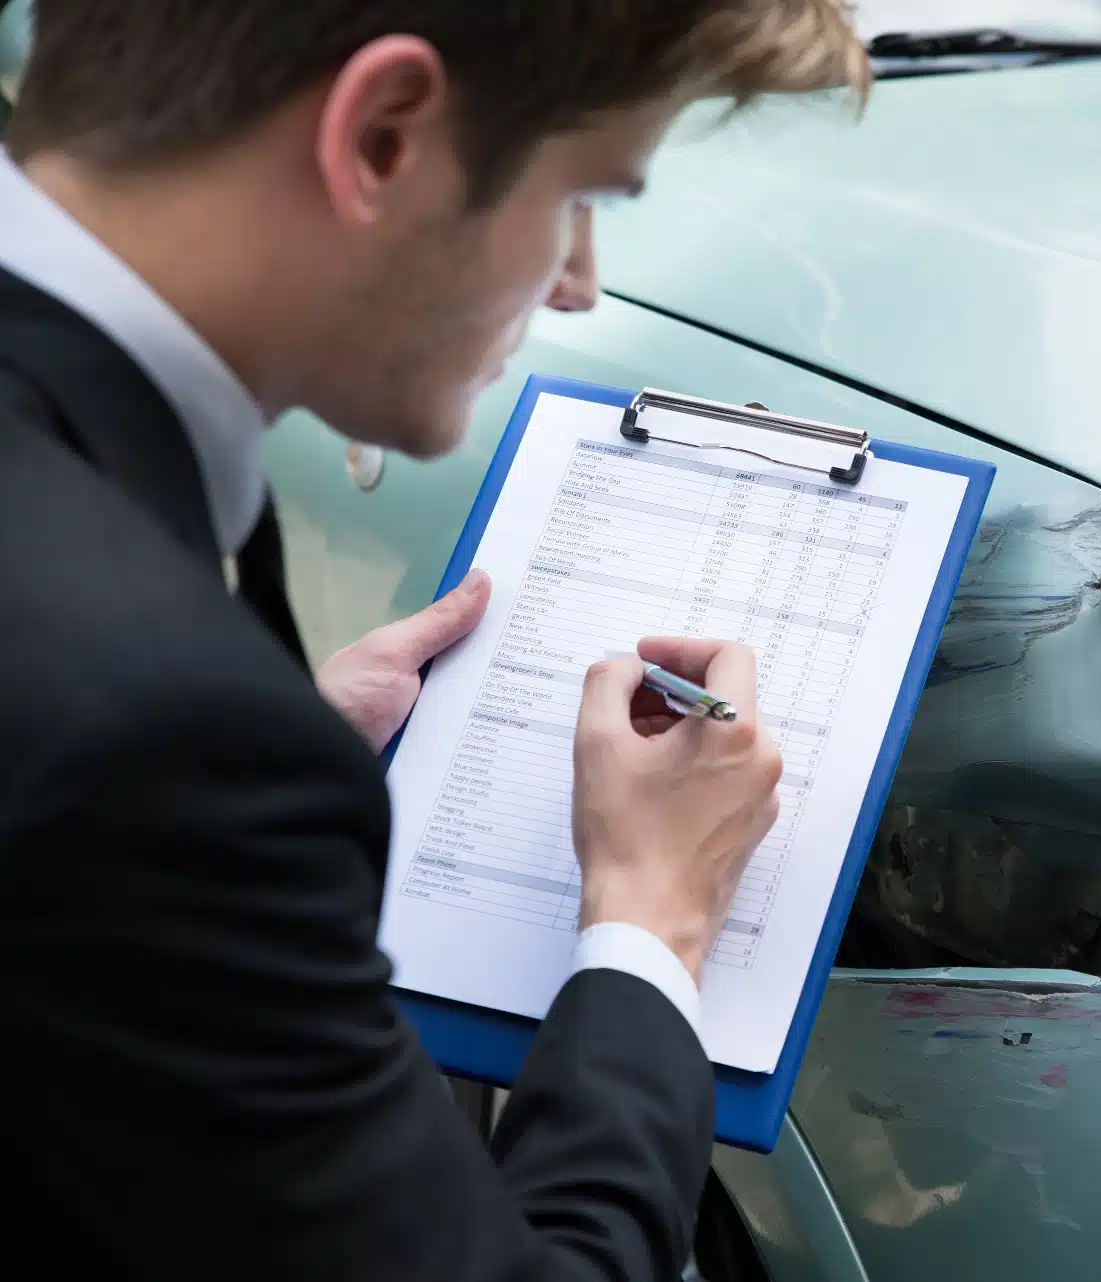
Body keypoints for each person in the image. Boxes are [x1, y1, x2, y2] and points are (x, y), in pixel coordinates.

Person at [0, 3, 868, 1280]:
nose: (579, 278)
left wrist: (271, 744)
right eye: (583, 196)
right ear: (385, 137)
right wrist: (651, 926)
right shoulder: (155, 731)